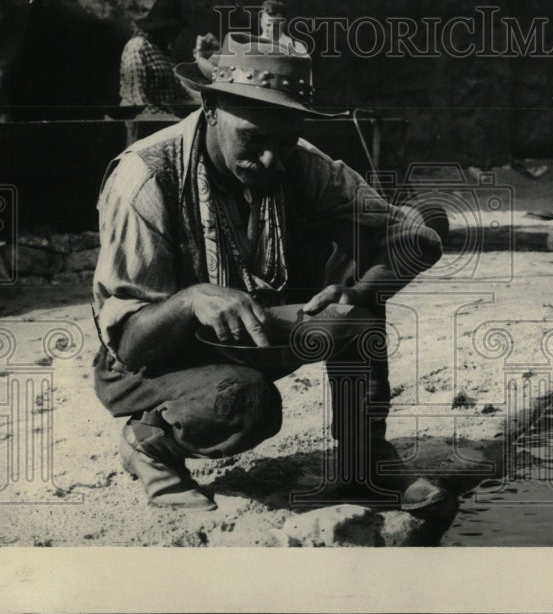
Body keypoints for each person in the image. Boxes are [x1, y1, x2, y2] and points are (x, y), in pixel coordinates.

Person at [92, 29, 447, 513]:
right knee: (245, 402)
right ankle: (150, 440)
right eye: (253, 139)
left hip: (252, 327)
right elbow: (129, 343)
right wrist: (193, 298)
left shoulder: (296, 162)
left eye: (284, 141)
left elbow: (417, 237)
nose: (269, 159)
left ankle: (365, 464)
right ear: (211, 108)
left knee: (356, 317)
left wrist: (357, 293)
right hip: (152, 359)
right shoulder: (147, 177)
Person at [118, 0, 197, 114]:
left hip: (164, 120)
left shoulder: (163, 52)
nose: (177, 34)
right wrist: (165, 119)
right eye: (175, 29)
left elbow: (181, 90)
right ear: (163, 28)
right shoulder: (137, 48)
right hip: (144, 122)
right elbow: (137, 99)